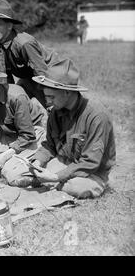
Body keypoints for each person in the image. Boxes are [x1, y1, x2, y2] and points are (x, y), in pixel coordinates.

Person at [15, 58, 115, 199]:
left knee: (77, 188)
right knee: (20, 173)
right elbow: (49, 145)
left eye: (51, 97)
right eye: (46, 96)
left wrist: (56, 176)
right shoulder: (55, 112)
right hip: (65, 163)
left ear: (67, 92)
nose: (47, 102)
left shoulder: (97, 115)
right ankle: (51, 182)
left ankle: (53, 183)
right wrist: (38, 161)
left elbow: (90, 162)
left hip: (92, 172)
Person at [0, 0, 59, 108]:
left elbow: (41, 72)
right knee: (11, 103)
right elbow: (2, 74)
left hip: (49, 76)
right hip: (28, 77)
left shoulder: (24, 43)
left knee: (52, 109)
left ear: (9, 26)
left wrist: (49, 99)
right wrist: (5, 98)